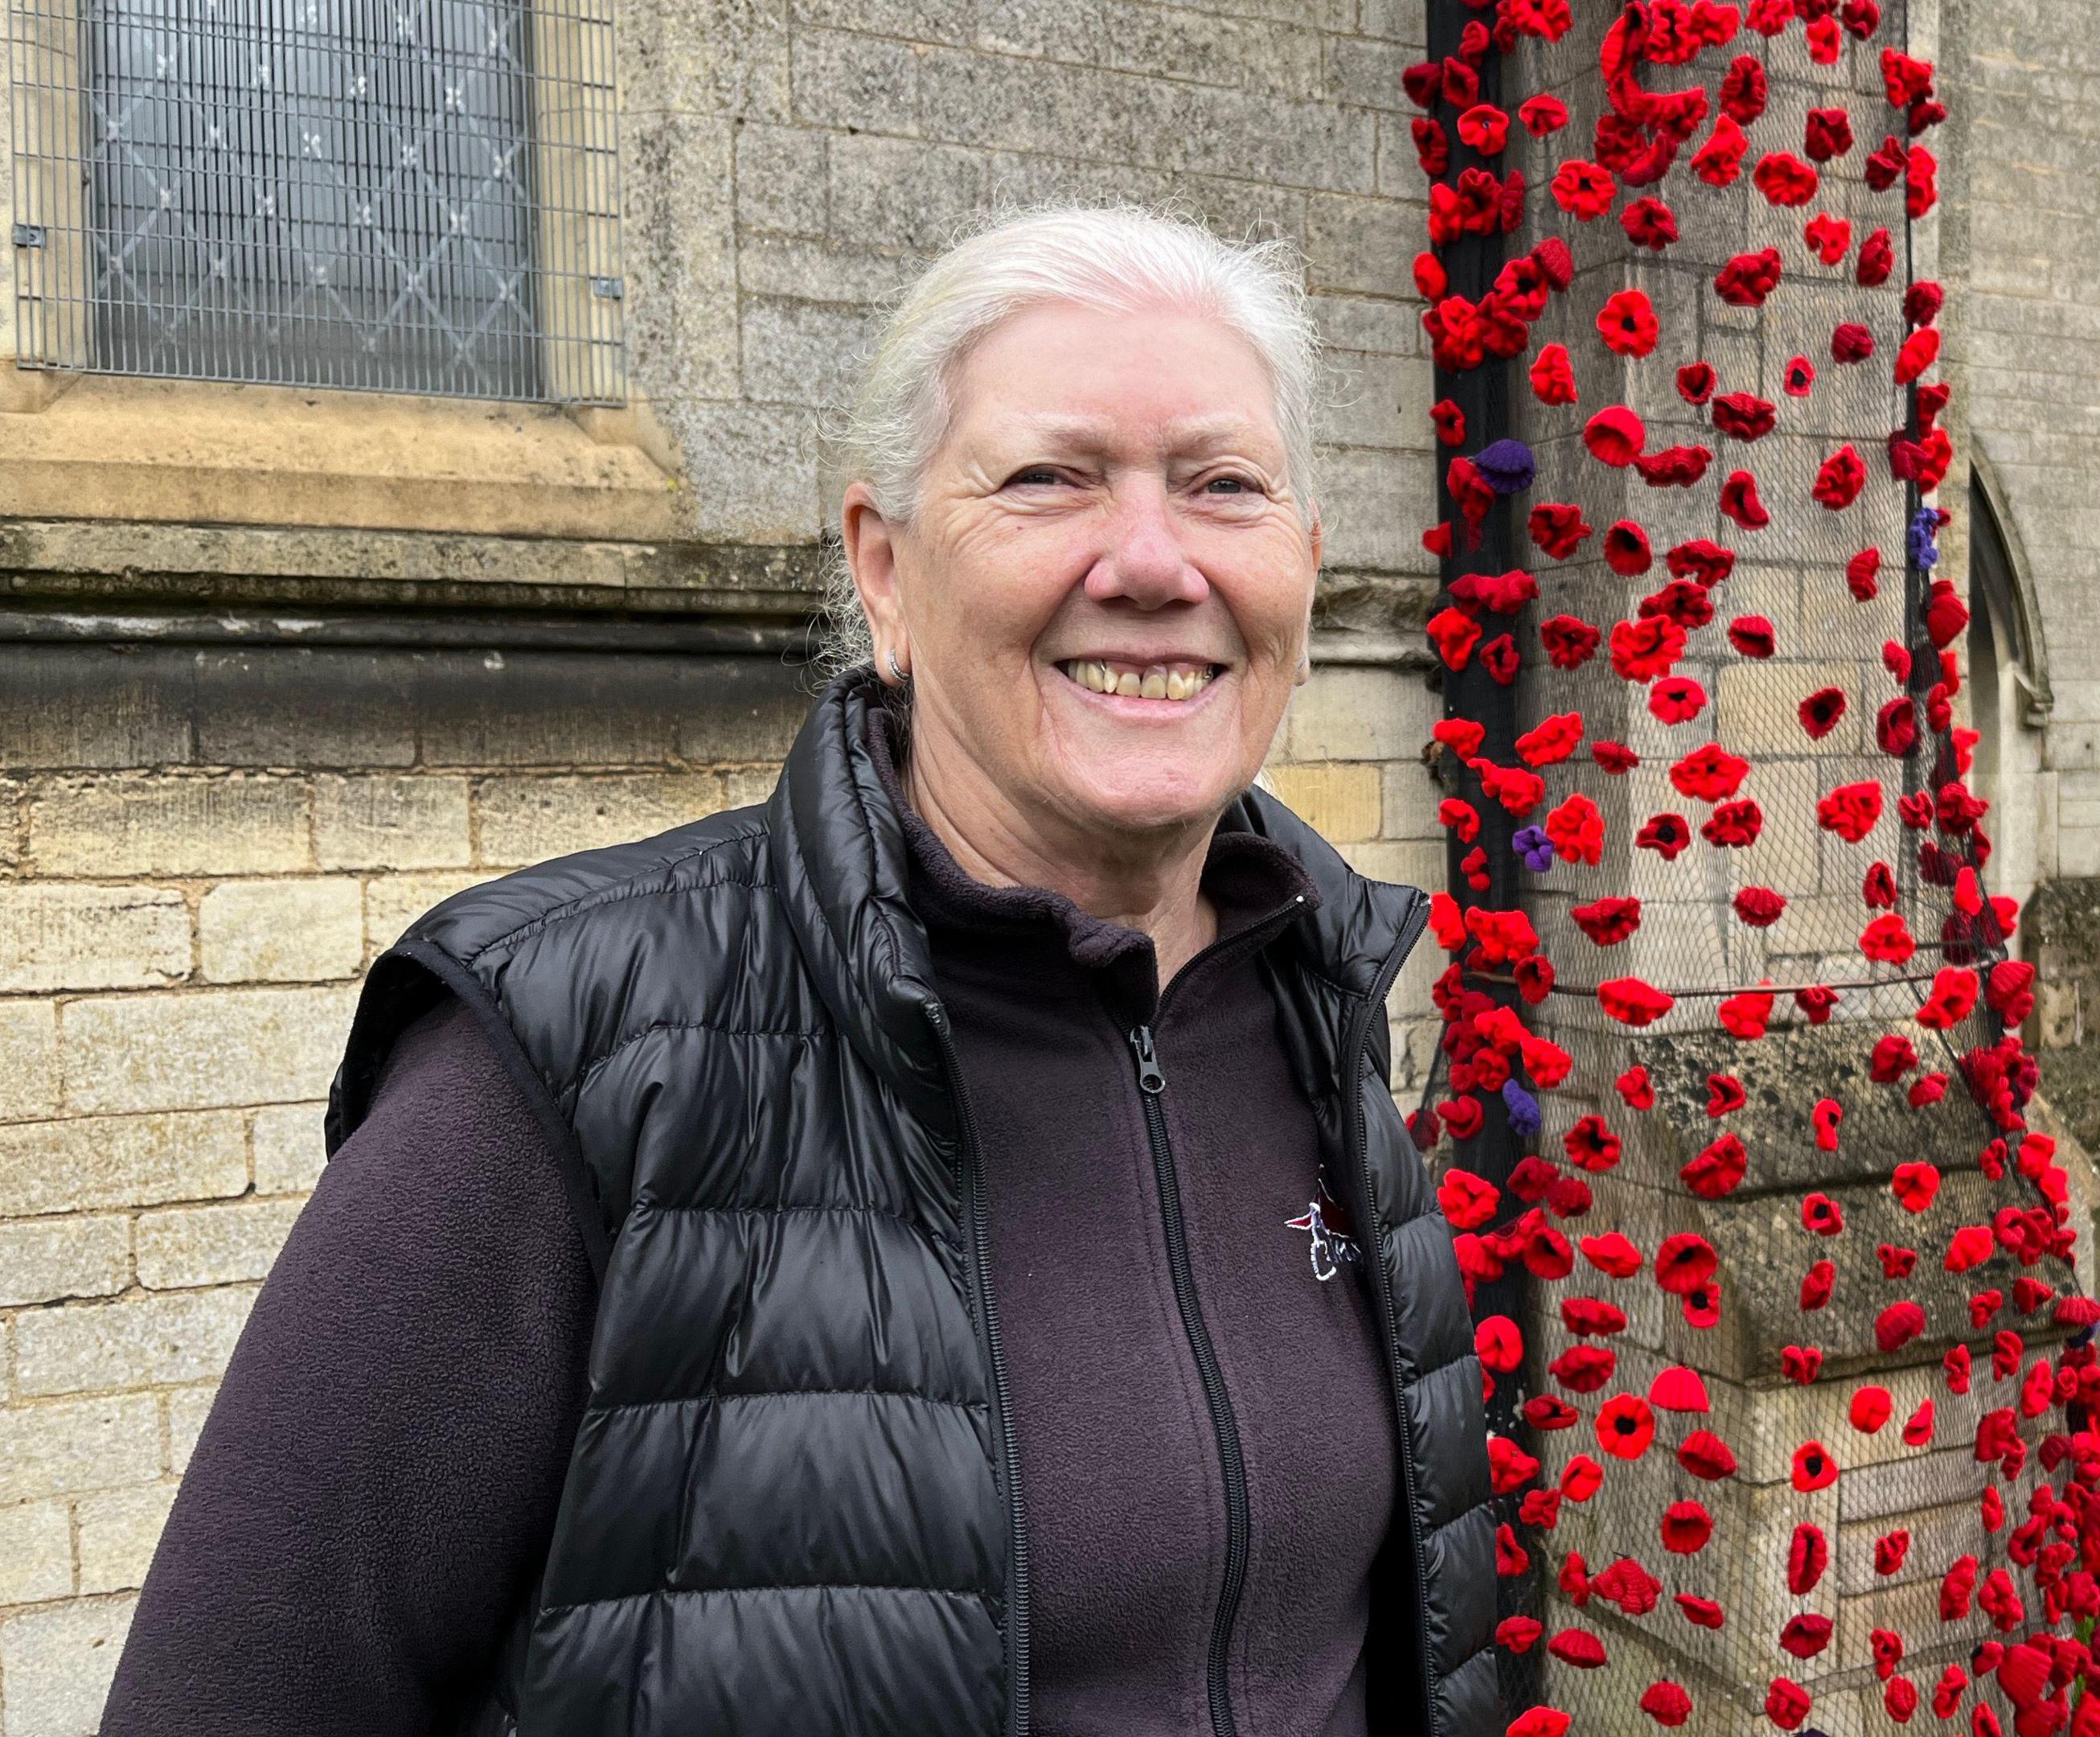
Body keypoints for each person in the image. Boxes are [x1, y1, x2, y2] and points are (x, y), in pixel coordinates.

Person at [103, 207, 1503, 1736]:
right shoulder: (569, 1050)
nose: (1155, 563)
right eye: (1050, 478)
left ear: (1302, 570)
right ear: (886, 574)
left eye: (1224, 485)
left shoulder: (1315, 1002)